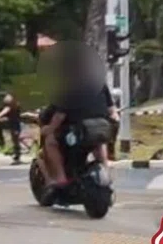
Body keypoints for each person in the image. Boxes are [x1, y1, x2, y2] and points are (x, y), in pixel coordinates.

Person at [39, 47, 113, 187]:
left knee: (50, 141)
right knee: (99, 141)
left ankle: (60, 178)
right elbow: (112, 109)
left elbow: (60, 115)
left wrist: (49, 129)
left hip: (77, 131)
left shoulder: (68, 87)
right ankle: (106, 170)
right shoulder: (100, 85)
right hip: (101, 128)